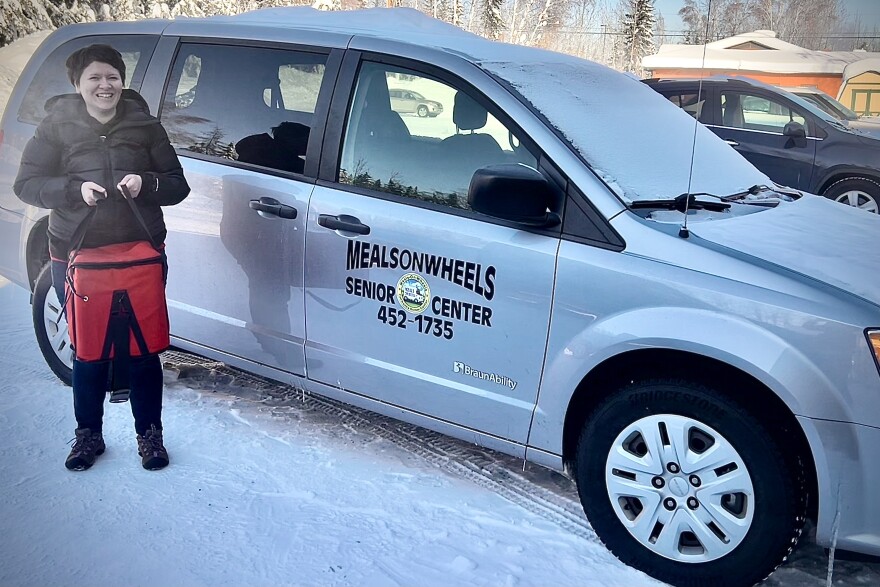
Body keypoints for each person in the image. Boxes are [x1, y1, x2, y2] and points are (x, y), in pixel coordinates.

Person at [13, 44, 190, 471]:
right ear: (77, 84)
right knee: (88, 350)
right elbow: (26, 184)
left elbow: (177, 185)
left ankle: (150, 436)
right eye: (94, 77)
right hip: (74, 254)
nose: (104, 85)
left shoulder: (146, 126)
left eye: (111, 76)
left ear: (122, 81)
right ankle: (88, 436)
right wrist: (75, 191)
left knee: (145, 350)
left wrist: (145, 183)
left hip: (140, 254)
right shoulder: (56, 127)